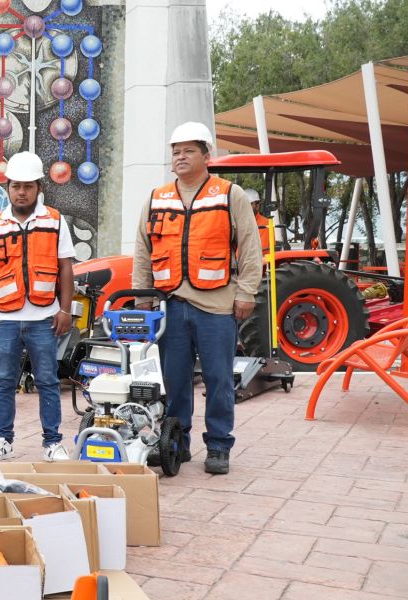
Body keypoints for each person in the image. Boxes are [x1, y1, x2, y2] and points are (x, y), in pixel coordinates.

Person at [132, 122, 262, 475]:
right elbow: (143, 251)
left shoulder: (229, 194)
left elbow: (250, 246)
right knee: (174, 382)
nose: (180, 157)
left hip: (217, 307)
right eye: (175, 151)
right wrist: (142, 296)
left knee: (219, 379)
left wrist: (247, 291)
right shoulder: (157, 198)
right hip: (170, 304)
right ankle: (177, 443)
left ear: (207, 156)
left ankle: (219, 446)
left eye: (188, 150)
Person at [0, 152, 76, 463]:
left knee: (47, 380)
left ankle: (52, 442)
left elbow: (66, 268)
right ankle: (2, 440)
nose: (21, 192)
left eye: (28, 186)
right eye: (16, 186)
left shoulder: (55, 221)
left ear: (39, 187)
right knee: (4, 381)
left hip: (44, 318)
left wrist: (65, 310)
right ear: (7, 188)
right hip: (5, 318)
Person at [246, 189, 272, 254]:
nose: (246, 207)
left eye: (251, 204)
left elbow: (263, 249)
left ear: (257, 206)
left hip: (258, 261)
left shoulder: (265, 223)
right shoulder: (238, 223)